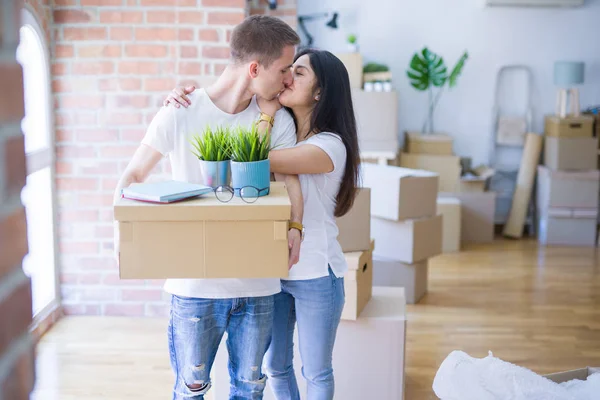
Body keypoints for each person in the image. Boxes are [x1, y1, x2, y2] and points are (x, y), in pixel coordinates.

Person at [113, 15, 306, 400]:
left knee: (250, 390)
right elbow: (132, 176)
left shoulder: (275, 120)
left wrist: (296, 228)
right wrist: (125, 236)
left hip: (259, 286)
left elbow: (290, 183)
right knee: (190, 391)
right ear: (255, 68)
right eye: (284, 69)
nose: (288, 80)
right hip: (194, 288)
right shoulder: (180, 111)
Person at [164, 48, 361, 400]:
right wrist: (189, 96)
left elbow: (255, 158)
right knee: (275, 367)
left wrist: (265, 117)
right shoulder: (286, 129)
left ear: (320, 92)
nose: (288, 77)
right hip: (276, 271)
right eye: (288, 69)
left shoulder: (329, 146)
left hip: (316, 271)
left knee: (316, 371)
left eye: (299, 73)